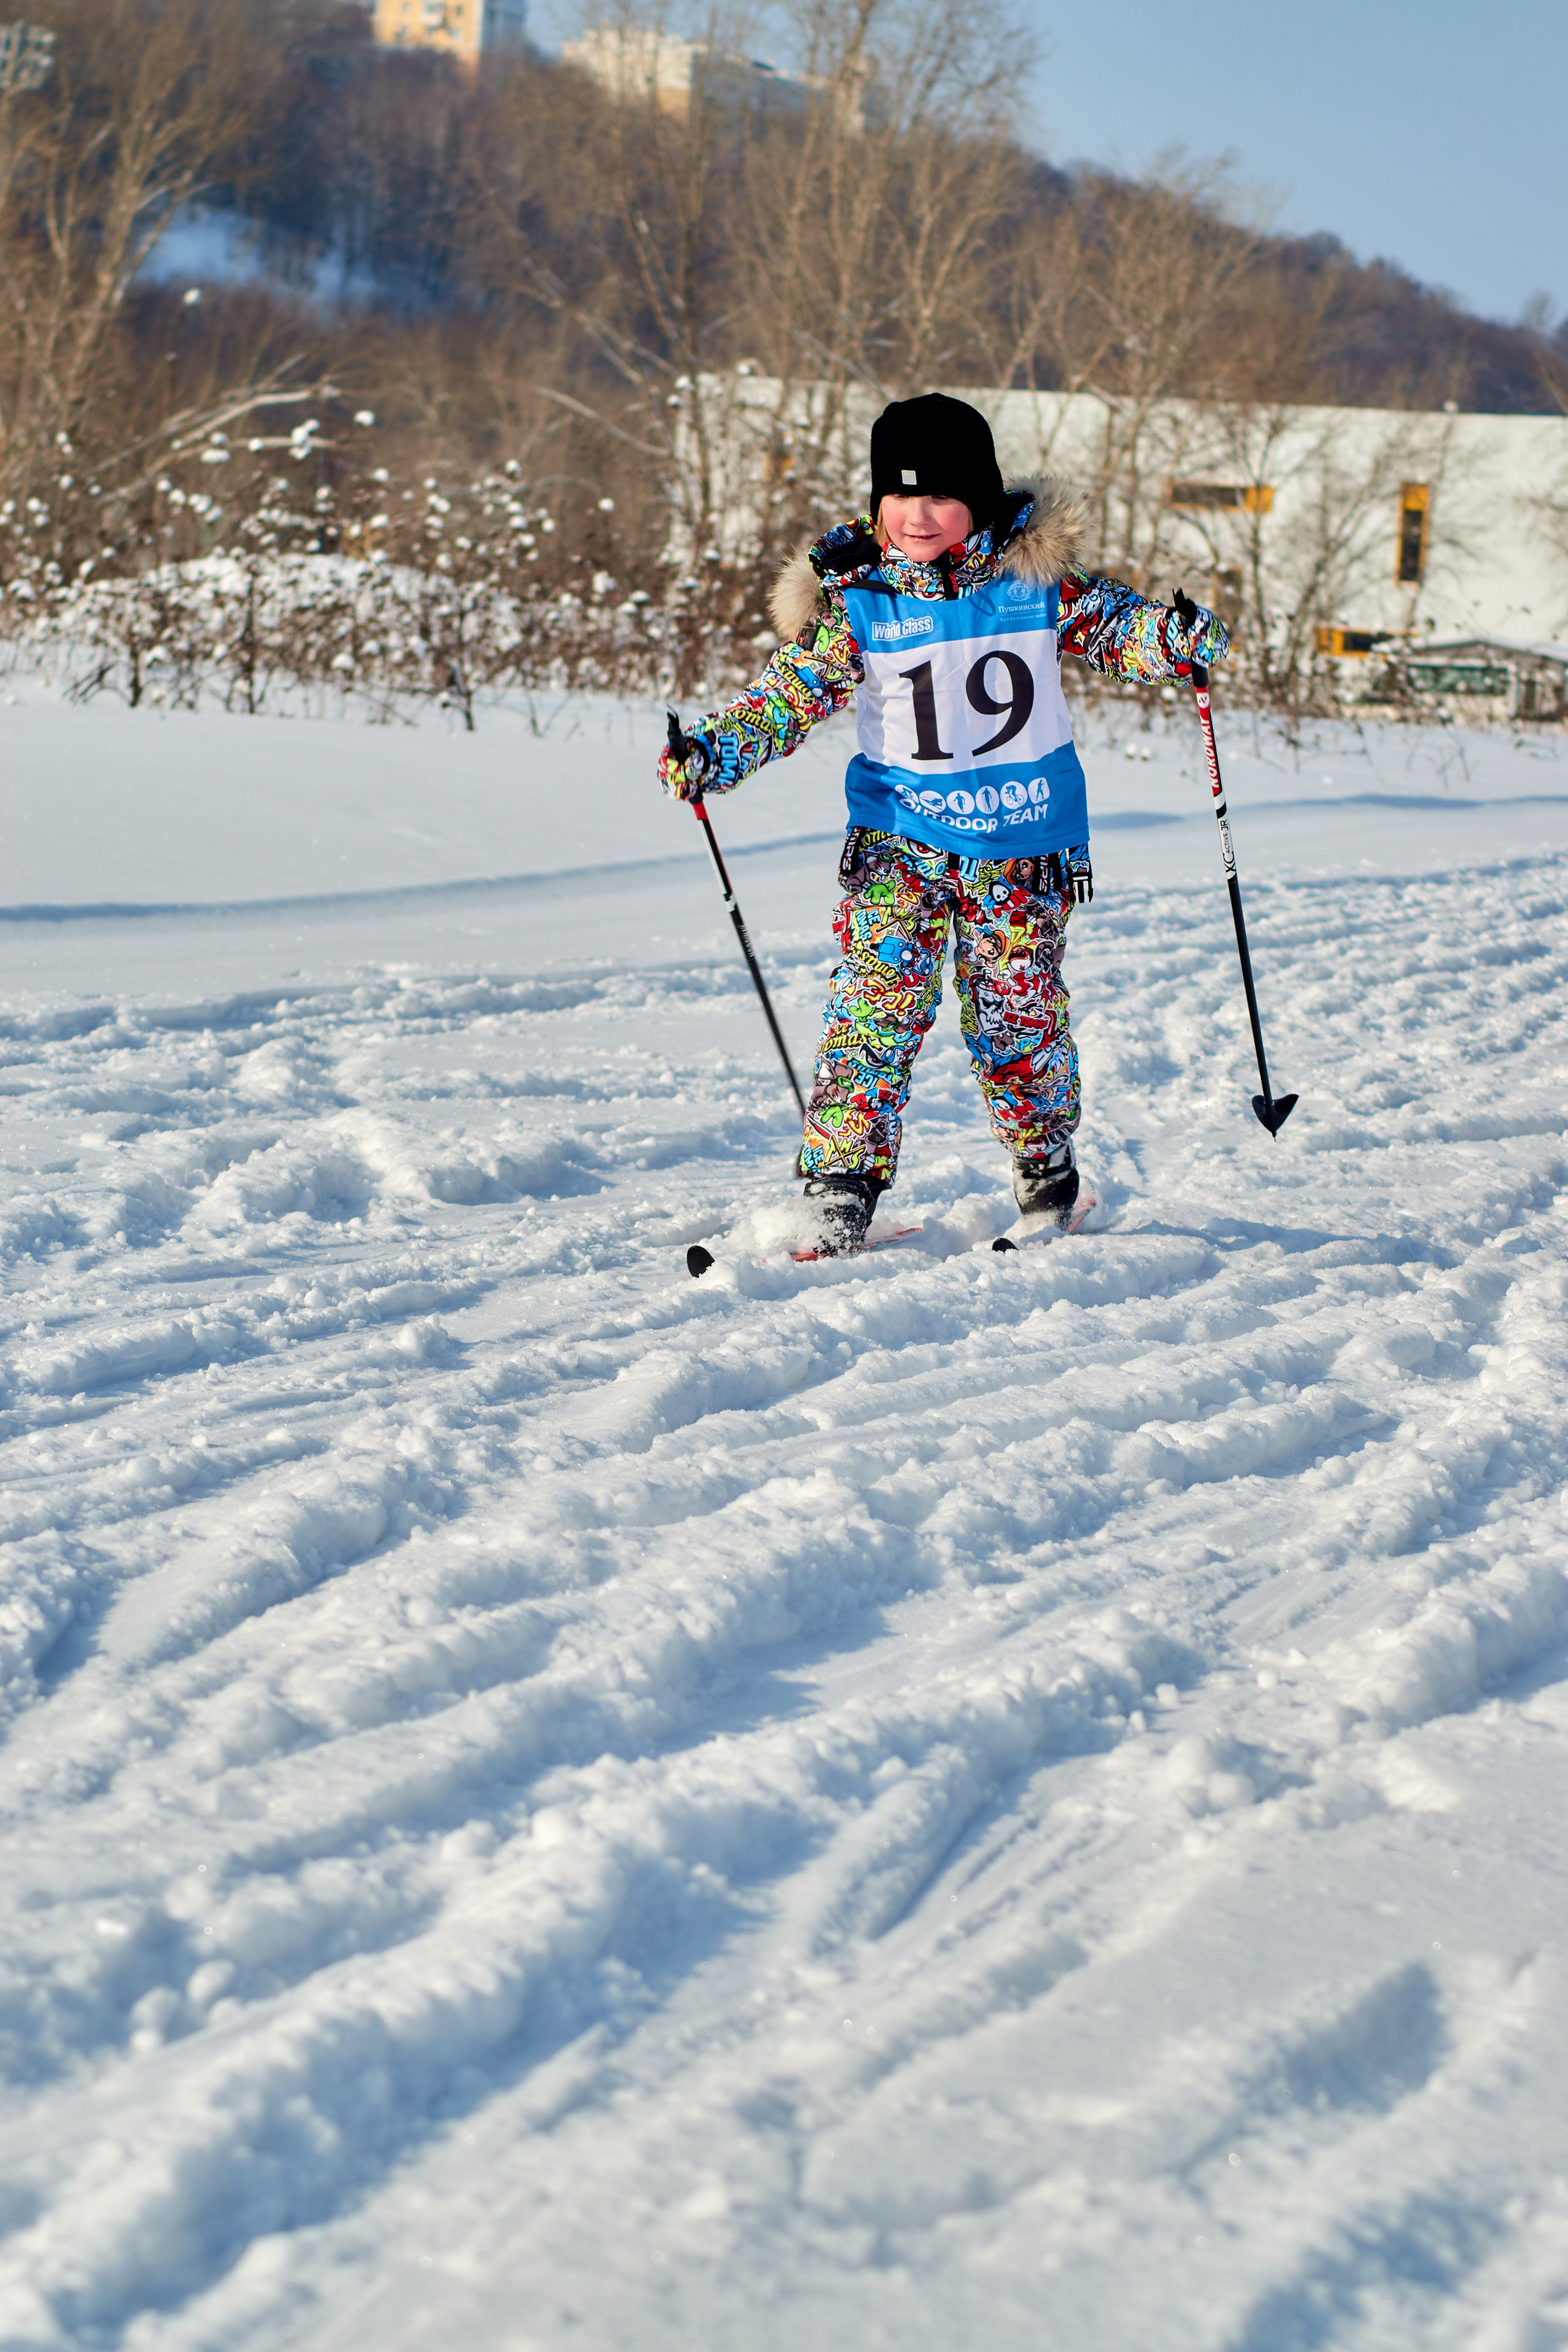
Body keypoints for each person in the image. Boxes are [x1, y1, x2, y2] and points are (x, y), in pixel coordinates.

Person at [660, 392, 1229, 1254]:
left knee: (1016, 1018)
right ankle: (840, 1190)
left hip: (1021, 847)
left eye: (939, 496)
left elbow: (1123, 628)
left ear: (980, 498)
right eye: (899, 494)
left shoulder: (1036, 582)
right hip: (900, 840)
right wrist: (712, 752)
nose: (916, 514)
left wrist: (1176, 638)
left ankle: (1047, 1174)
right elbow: (786, 697)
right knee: (873, 1009)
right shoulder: (859, 597)